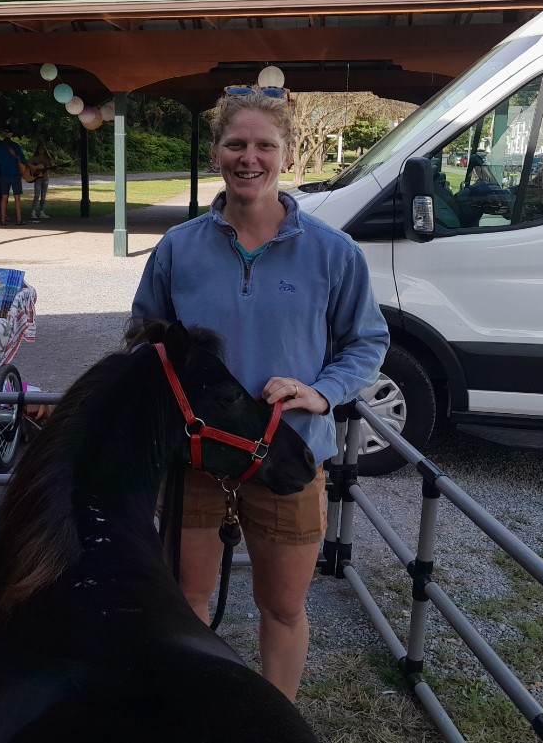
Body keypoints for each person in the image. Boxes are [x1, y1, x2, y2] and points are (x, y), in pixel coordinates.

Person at [129, 86, 389, 702]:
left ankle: (278, 720)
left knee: (282, 607)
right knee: (187, 598)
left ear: (288, 155)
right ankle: (192, 713)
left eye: (265, 145)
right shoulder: (178, 249)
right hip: (196, 461)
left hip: (287, 457)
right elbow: (146, 341)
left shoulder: (333, 253)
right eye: (236, 143)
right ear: (217, 151)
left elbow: (366, 342)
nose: (250, 158)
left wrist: (323, 393)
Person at [0, 127, 27, 226]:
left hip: (3, 175)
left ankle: (3, 219)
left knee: (4, 197)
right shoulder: (15, 146)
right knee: (17, 197)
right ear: (10, 135)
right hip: (15, 174)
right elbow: (22, 159)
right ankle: (19, 219)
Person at [28, 142, 54, 222]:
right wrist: (35, 168)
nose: (41, 151)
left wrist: (52, 165)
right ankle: (33, 211)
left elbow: (52, 166)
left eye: (42, 149)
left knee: (43, 195)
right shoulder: (34, 158)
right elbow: (28, 165)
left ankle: (41, 211)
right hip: (37, 178)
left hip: (45, 178)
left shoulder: (47, 158)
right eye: (40, 149)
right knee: (36, 194)